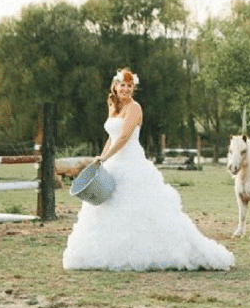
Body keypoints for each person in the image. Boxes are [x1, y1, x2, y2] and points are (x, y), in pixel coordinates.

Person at [63, 68, 235, 271]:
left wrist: (106, 157)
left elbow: (124, 137)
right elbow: (111, 137)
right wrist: (101, 160)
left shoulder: (134, 108)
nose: (125, 89)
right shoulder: (113, 106)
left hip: (131, 162)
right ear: (115, 86)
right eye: (122, 85)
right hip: (113, 162)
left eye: (129, 86)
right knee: (107, 206)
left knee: (137, 205)